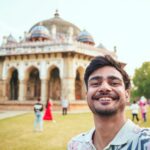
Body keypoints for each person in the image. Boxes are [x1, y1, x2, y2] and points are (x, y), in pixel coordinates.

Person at [67, 55, 150, 150]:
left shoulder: (145, 142)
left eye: (114, 83)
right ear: (87, 95)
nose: (104, 88)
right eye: (95, 84)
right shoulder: (76, 145)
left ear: (127, 94)